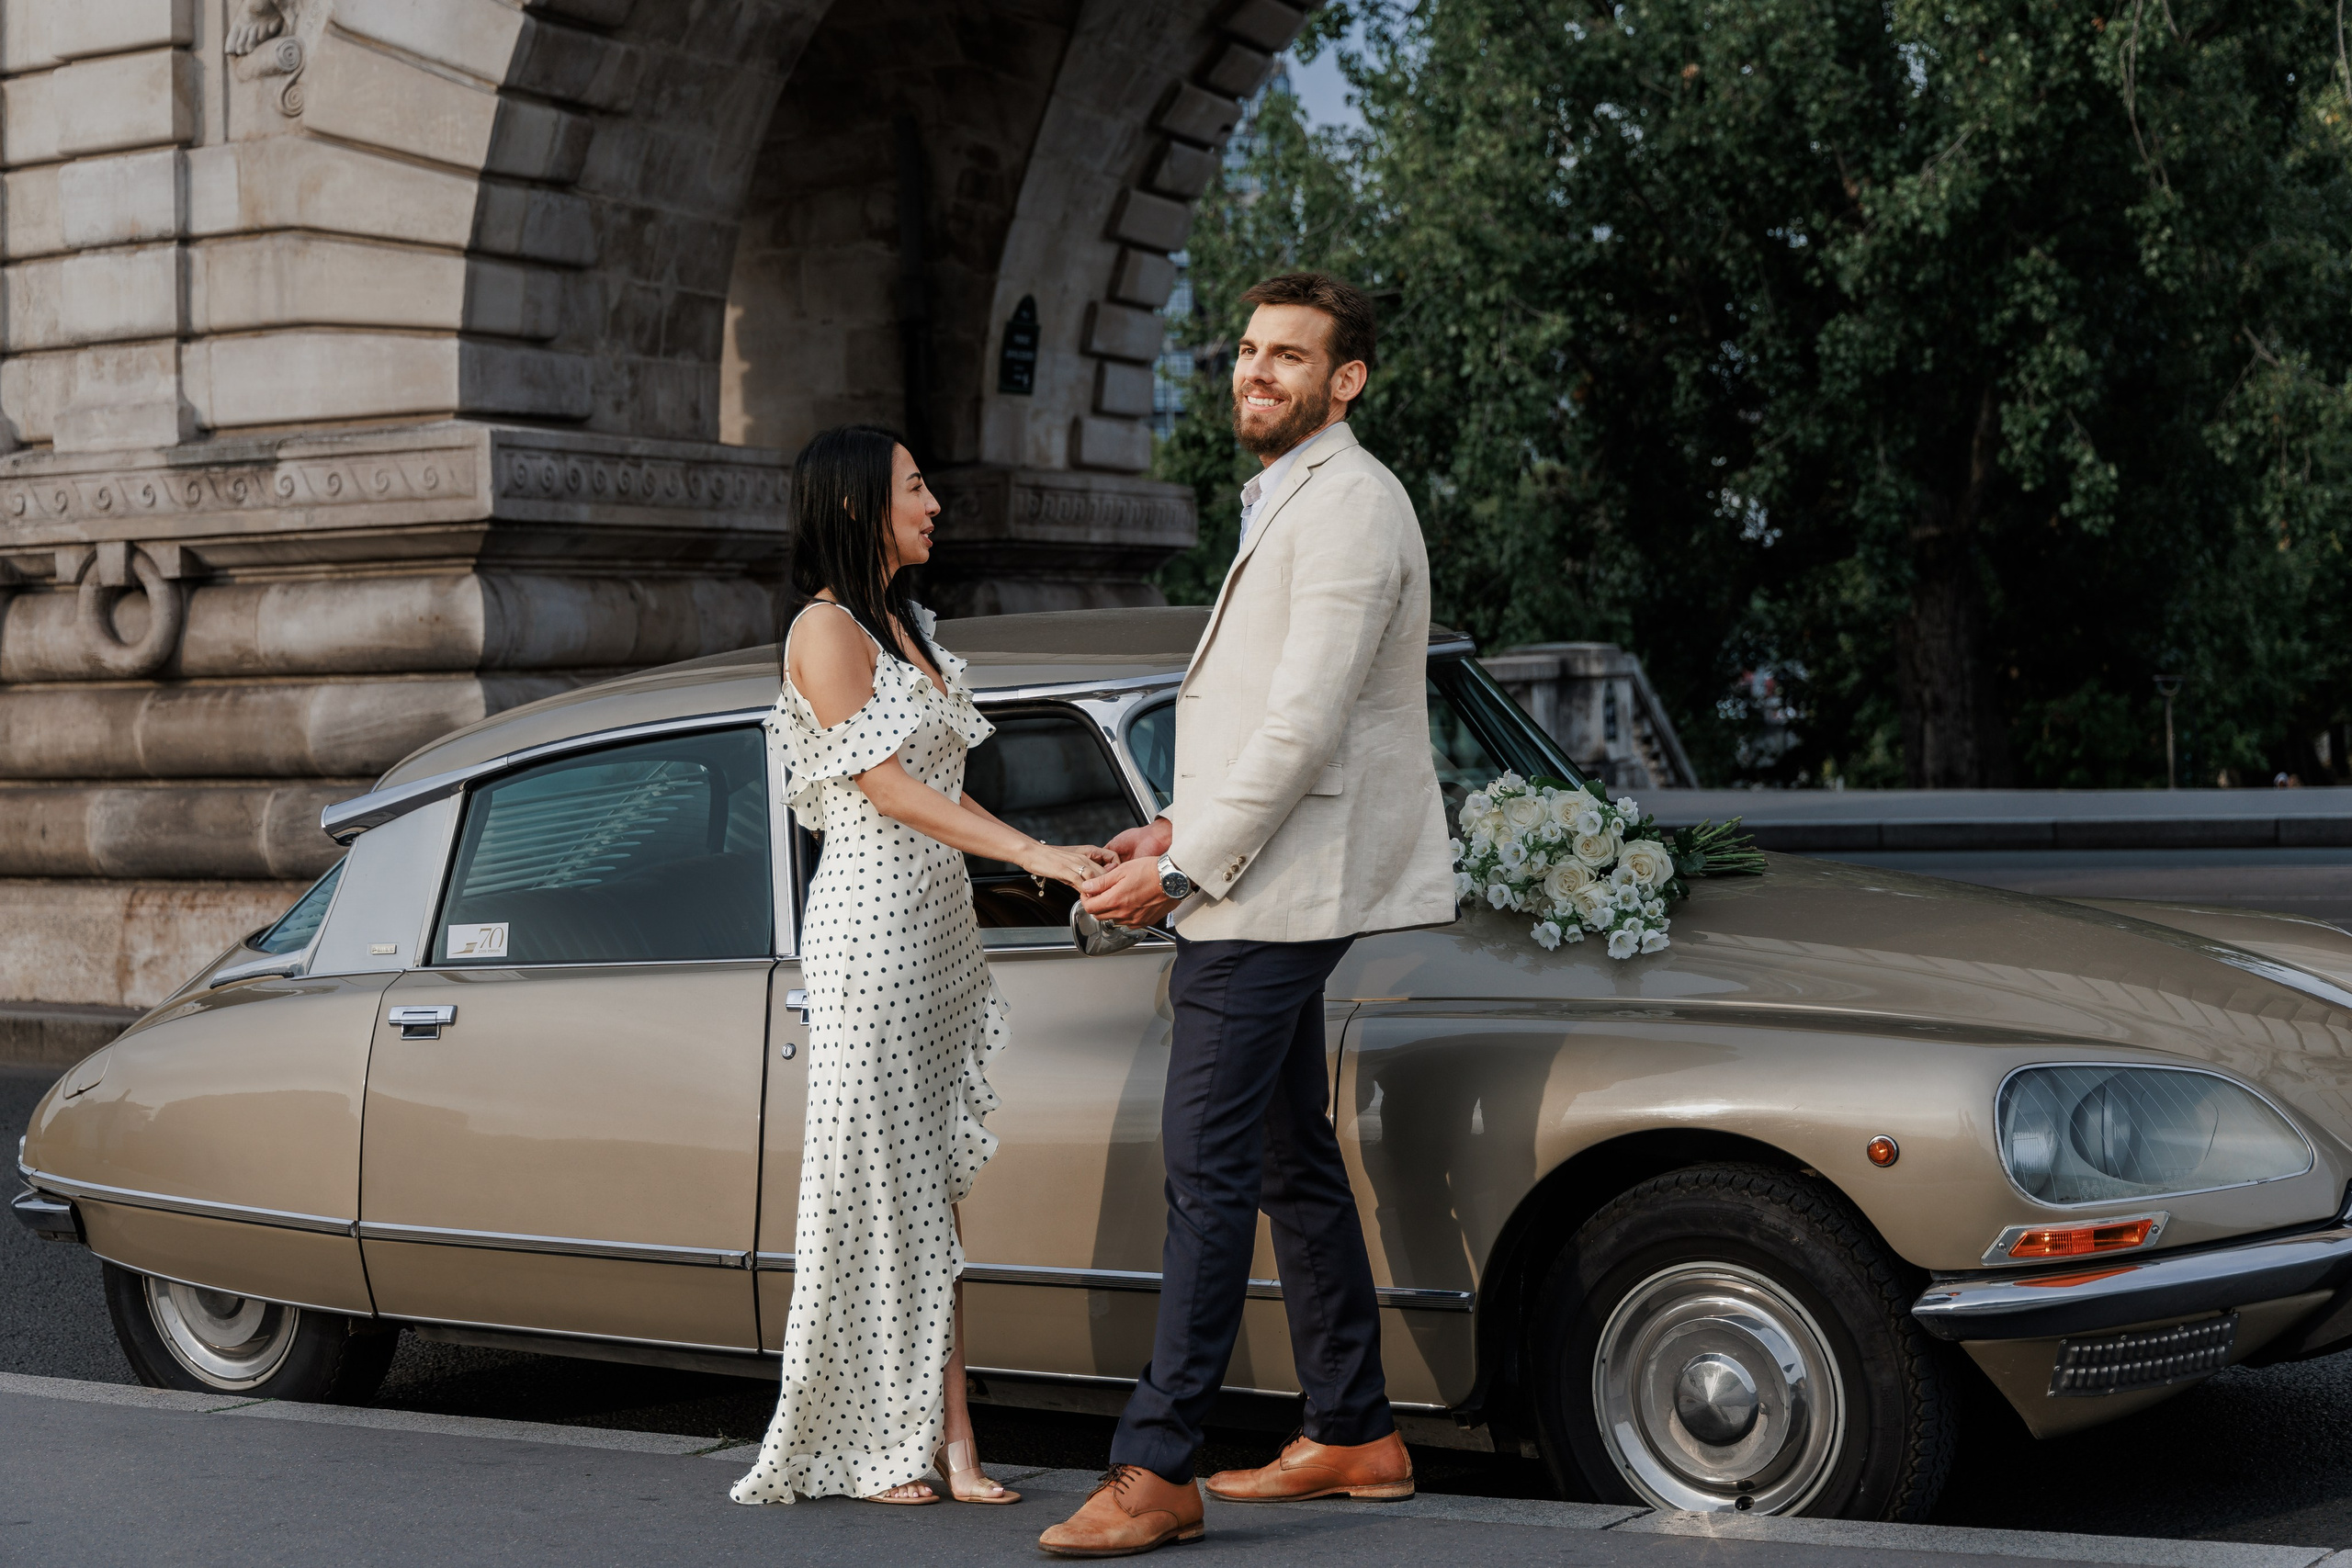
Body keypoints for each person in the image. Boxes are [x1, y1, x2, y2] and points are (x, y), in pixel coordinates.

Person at [1039, 274, 1457, 1557]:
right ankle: (1354, 1429)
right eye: (1248, 349)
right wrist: (1174, 825)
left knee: (1206, 1173)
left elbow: (1306, 719)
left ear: (1348, 382)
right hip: (1259, 868)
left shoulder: (1349, 506)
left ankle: (1158, 1462)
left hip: (1269, 895)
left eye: (1290, 355)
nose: (1256, 370)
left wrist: (1184, 869)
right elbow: (1272, 719)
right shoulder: (1298, 495)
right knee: (1286, 1158)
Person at [730, 424, 1112, 1508]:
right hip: (869, 928)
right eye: (913, 486)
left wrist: (1051, 857)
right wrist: (1031, 852)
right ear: (856, 505)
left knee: (930, 1189)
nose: (935, 501)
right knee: (877, 1187)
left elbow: (942, 794)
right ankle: (876, 1447)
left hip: (937, 927)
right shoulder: (826, 629)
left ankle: (952, 1445)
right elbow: (890, 792)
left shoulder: (907, 626)